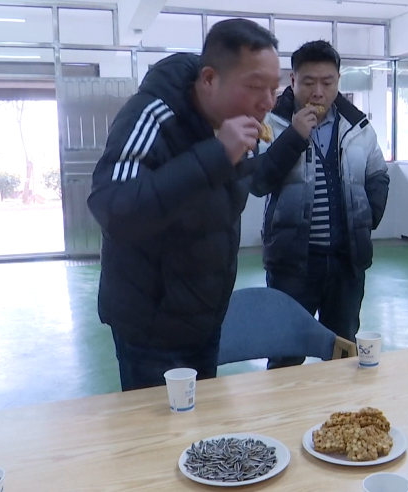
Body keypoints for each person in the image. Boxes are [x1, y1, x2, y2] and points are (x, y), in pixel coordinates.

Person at [86, 19, 281, 391]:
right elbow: (113, 208)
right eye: (256, 87)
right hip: (150, 328)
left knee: (201, 423)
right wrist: (216, 155)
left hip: (205, 319)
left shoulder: (239, 127)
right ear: (209, 79)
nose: (268, 102)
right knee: (158, 426)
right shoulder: (153, 114)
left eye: (275, 88)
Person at [250, 40, 390, 369]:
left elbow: (378, 175)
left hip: (346, 261)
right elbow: (258, 182)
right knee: (285, 352)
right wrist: (294, 136)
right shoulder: (271, 124)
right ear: (292, 81)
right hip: (292, 264)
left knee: (343, 350)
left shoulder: (358, 126)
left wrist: (365, 220)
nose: (318, 92)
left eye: (327, 82)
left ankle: (339, 404)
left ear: (338, 80)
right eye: (309, 82)